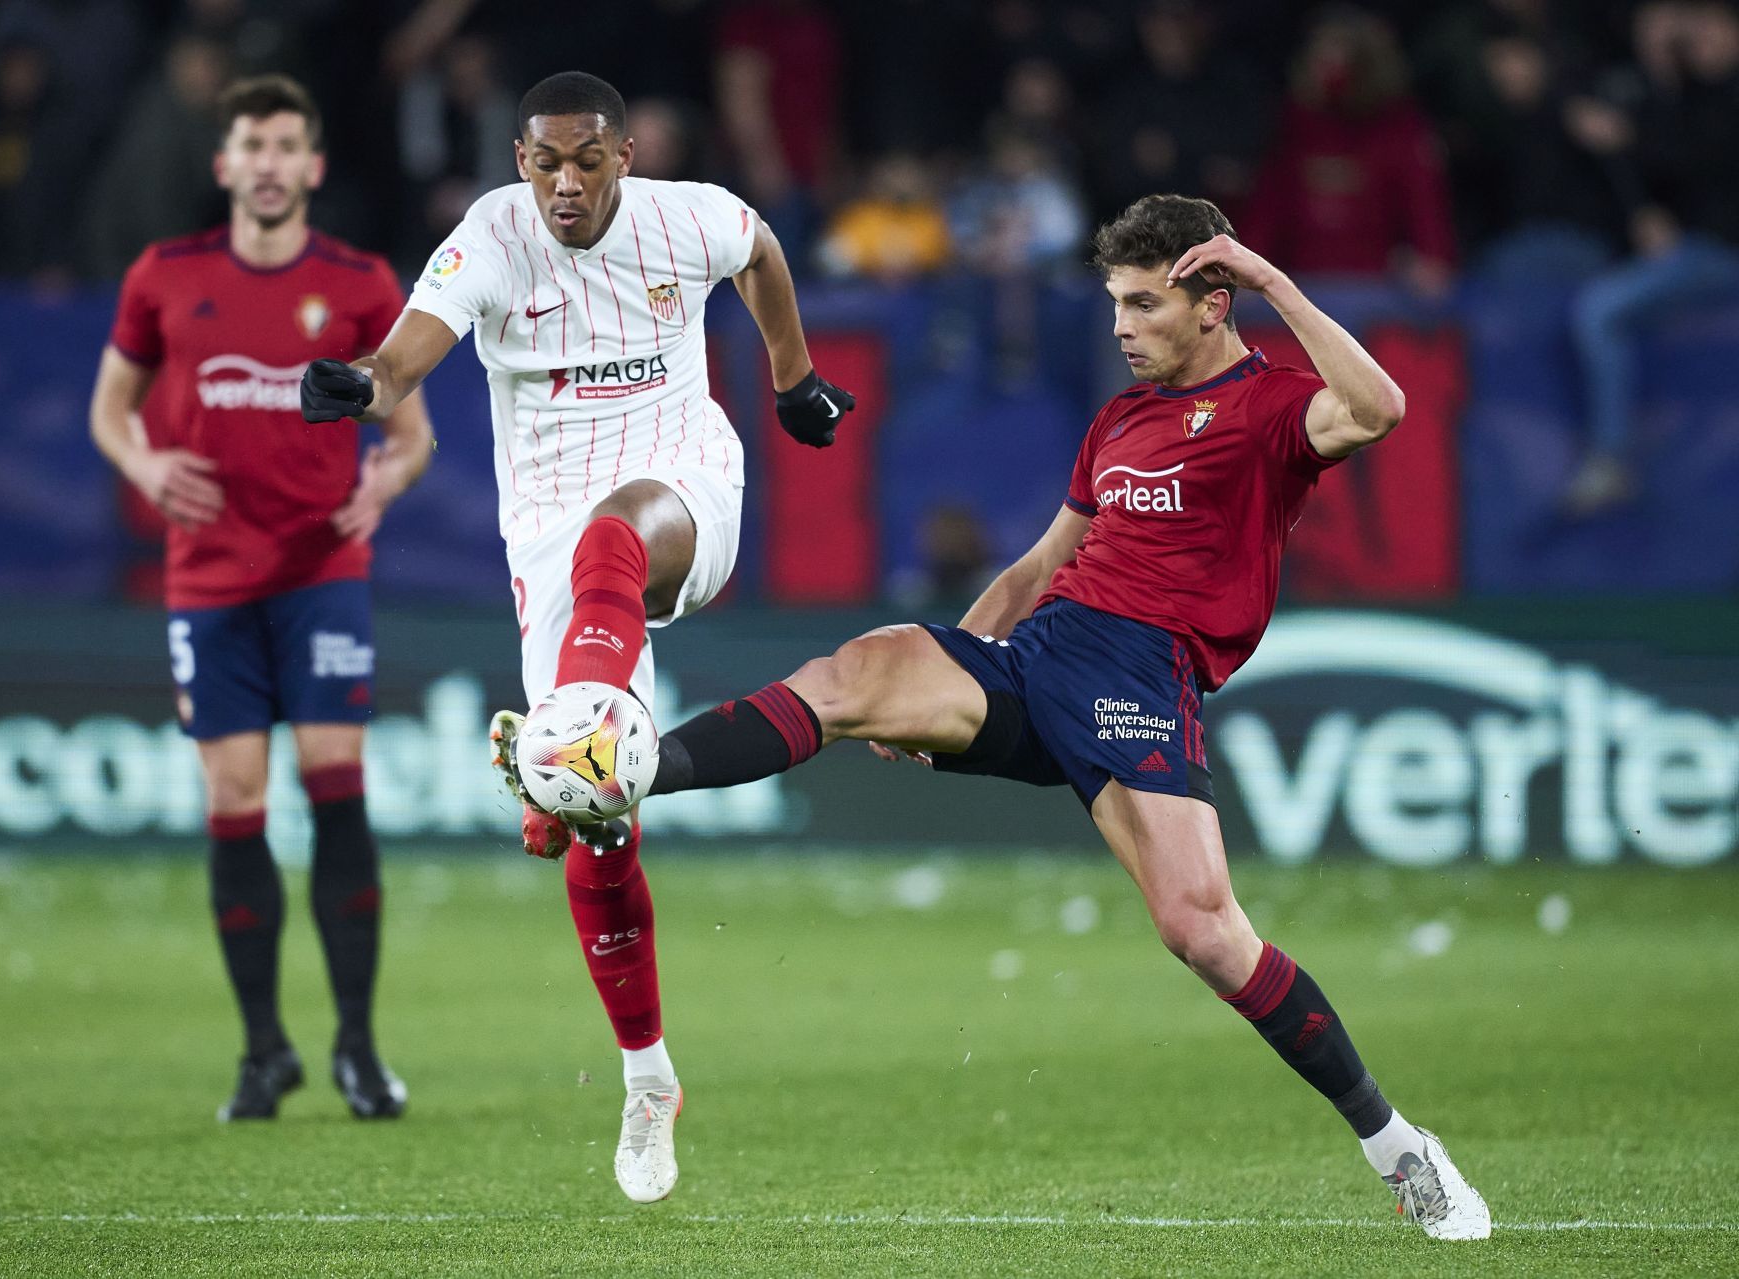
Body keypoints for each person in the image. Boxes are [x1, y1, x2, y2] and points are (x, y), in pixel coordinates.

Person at [510, 194, 1493, 1240]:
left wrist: (1277, 283)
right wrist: (959, 659)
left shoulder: (1274, 407)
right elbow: (1037, 567)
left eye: (1146, 303)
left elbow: (1382, 408)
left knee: (1203, 934)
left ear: (1216, 302)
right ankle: (623, 763)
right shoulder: (1118, 420)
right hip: (1038, 658)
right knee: (861, 670)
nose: (1121, 325)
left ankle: (1400, 1148)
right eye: (1115, 300)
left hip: (1141, 681)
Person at [297, 71, 854, 1203]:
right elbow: (411, 349)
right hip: (548, 544)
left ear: (625, 157)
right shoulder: (493, 237)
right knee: (606, 828)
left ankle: (562, 749)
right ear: (519, 162)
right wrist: (360, 386)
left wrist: (791, 382)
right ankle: (648, 1078)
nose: (564, 181)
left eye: (586, 159)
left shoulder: (684, 215)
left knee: (614, 544)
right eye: (544, 161)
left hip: (682, 489)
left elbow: (761, 253)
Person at [88, 74, 434, 1123]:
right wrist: (147, 472)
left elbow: (412, 437)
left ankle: (360, 1051)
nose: (272, 162)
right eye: (255, 144)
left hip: (320, 574)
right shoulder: (164, 276)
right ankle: (262, 1052)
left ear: (314, 166)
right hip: (208, 581)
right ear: (226, 163)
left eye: (290, 144)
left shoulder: (364, 284)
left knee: (337, 783)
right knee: (235, 799)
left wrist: (384, 481)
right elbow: (110, 410)